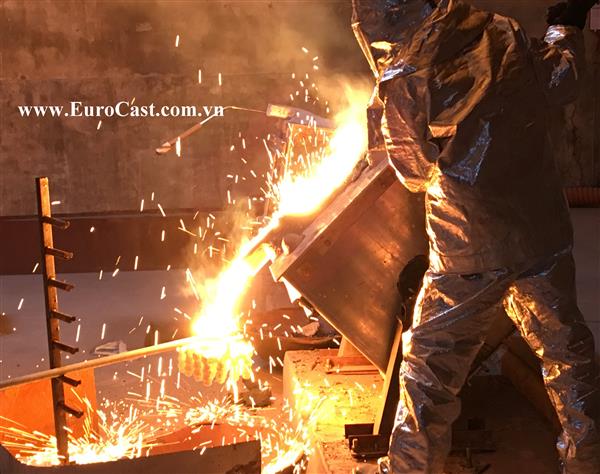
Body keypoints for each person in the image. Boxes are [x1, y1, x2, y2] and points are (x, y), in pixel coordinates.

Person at [352, 0, 600, 472]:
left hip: (468, 243)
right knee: (568, 354)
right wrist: (564, 28)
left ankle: (410, 469)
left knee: (430, 372)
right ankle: (587, 460)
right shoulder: (501, 30)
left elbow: (412, 172)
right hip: (538, 233)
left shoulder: (404, 75)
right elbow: (560, 80)